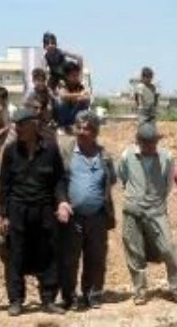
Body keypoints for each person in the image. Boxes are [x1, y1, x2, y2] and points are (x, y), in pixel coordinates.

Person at [0, 108, 73, 316]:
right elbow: (4, 184)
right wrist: (3, 214)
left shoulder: (50, 149)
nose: (17, 129)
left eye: (21, 125)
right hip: (18, 209)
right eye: (16, 125)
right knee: (16, 255)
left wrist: (62, 202)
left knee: (47, 253)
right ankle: (16, 300)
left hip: (44, 208)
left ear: (33, 125)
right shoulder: (11, 152)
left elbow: (58, 179)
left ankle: (48, 299)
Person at [117, 122, 177, 305]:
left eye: (153, 142)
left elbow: (168, 183)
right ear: (138, 141)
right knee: (134, 250)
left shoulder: (166, 157)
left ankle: (176, 289)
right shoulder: (127, 155)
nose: (150, 145)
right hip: (133, 209)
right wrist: (135, 197)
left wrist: (156, 201)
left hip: (156, 210)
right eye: (146, 142)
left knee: (168, 249)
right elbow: (123, 178)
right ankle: (140, 291)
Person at [60, 110, 116, 310]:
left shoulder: (104, 155)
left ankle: (92, 294)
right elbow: (58, 181)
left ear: (96, 132)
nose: (83, 132)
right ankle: (69, 297)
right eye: (80, 127)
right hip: (72, 216)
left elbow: (112, 179)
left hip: (98, 216)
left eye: (88, 128)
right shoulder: (66, 152)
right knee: (69, 258)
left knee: (96, 257)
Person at [53, 62, 92, 135]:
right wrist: (78, 95)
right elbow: (63, 95)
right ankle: (62, 127)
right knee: (60, 102)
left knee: (85, 101)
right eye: (73, 75)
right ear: (67, 76)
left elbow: (86, 96)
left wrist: (77, 98)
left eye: (77, 75)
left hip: (74, 113)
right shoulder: (62, 83)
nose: (76, 77)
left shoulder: (79, 85)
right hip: (63, 114)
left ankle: (78, 125)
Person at [23, 68, 58, 138]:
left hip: (45, 115)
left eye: (43, 80)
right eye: (38, 80)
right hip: (34, 115)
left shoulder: (47, 90)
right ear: (33, 81)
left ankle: (49, 124)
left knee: (50, 107)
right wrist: (34, 104)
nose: (41, 83)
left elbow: (54, 98)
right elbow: (24, 102)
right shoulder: (31, 91)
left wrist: (53, 95)